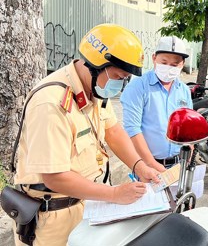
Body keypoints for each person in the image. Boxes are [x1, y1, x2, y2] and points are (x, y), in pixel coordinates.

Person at [12, 24, 160, 245]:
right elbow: (55, 177)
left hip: (88, 205)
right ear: (96, 65)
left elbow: (113, 131)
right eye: (119, 76)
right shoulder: (50, 104)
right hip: (53, 218)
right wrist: (115, 194)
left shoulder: (94, 90)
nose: (120, 85)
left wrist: (139, 165)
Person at [120, 36, 193, 172]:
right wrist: (151, 164)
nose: (168, 68)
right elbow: (132, 129)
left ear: (182, 64)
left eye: (174, 65)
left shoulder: (183, 90)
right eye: (164, 62)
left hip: (180, 163)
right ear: (154, 58)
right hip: (149, 167)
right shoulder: (138, 87)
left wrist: (190, 150)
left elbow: (187, 124)